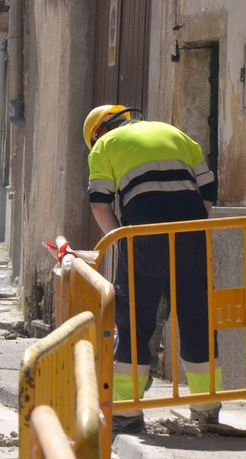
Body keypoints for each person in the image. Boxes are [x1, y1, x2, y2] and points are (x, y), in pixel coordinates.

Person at [84, 104, 221, 434]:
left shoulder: (104, 146)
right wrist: (192, 226)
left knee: (133, 319)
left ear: (99, 132)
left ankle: (127, 411)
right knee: (196, 314)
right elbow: (208, 190)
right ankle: (207, 408)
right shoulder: (176, 133)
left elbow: (99, 201)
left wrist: (119, 239)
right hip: (191, 233)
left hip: (143, 234)